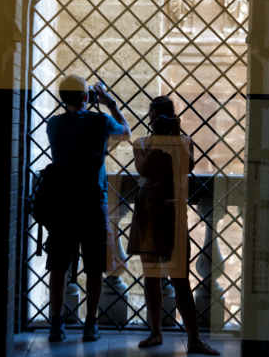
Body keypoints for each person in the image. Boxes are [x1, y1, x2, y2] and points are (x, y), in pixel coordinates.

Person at [128, 96, 220, 355]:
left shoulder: (184, 141)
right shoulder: (142, 143)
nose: (158, 123)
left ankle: (194, 339)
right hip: (147, 214)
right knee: (151, 277)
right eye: (155, 119)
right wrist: (160, 141)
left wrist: (174, 136)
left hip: (173, 214)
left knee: (181, 279)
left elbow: (187, 167)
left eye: (163, 118)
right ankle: (155, 332)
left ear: (173, 119)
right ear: (149, 120)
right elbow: (144, 171)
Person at [45, 74, 131, 342]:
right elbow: (126, 133)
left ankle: (56, 325)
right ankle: (90, 324)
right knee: (94, 267)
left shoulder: (54, 125)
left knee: (58, 266)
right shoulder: (100, 121)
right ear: (86, 97)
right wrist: (109, 102)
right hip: (93, 202)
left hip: (62, 205)